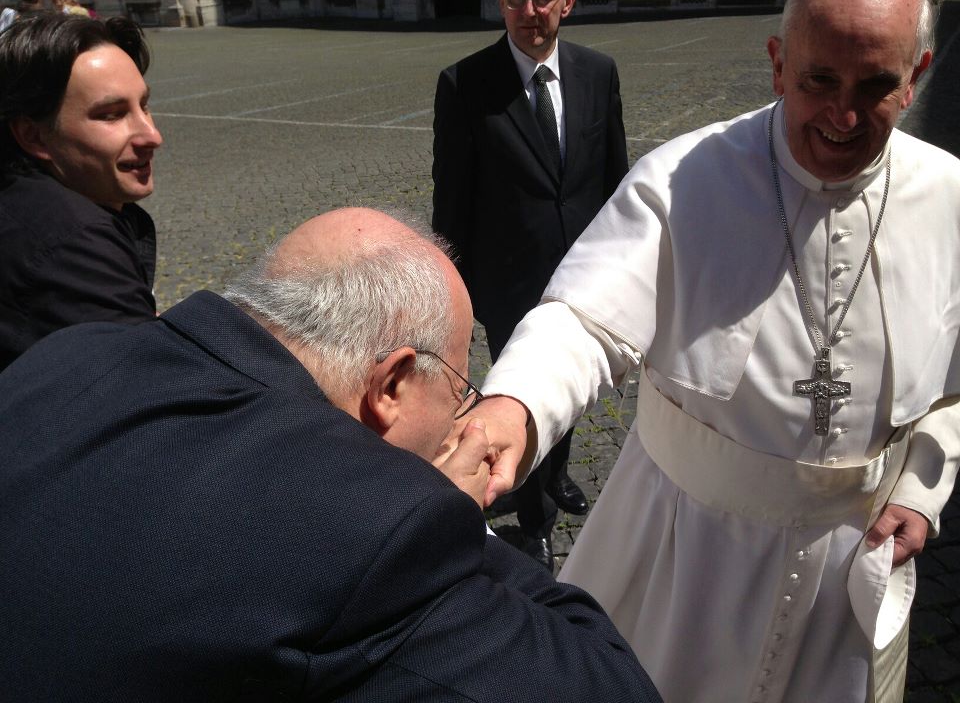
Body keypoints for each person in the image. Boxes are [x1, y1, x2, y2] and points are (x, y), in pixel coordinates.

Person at [460, 0, 960, 700]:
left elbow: (949, 372)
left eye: (876, 86)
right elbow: (587, 319)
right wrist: (514, 407)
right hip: (685, 558)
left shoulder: (949, 195)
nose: (844, 116)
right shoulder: (686, 177)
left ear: (916, 77)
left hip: (847, 572)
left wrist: (920, 489)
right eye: (820, 80)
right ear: (777, 63)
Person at [0, 207, 662, 703]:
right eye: (461, 389)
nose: (461, 414)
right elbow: (608, 681)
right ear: (393, 383)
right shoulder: (376, 531)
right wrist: (445, 509)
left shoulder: (67, 356)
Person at [432, 0, 628, 571]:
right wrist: (456, 290)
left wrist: (621, 261)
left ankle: (554, 472)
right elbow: (453, 199)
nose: (528, 13)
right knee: (521, 387)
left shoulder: (599, 73)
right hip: (508, 279)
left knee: (568, 387)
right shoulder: (464, 83)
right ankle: (536, 518)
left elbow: (616, 178)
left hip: (582, 273)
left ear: (567, 2)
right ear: (499, 1)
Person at [0, 14, 162, 371]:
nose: (152, 135)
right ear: (34, 136)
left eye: (144, 105)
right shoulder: (74, 243)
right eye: (111, 115)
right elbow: (156, 388)